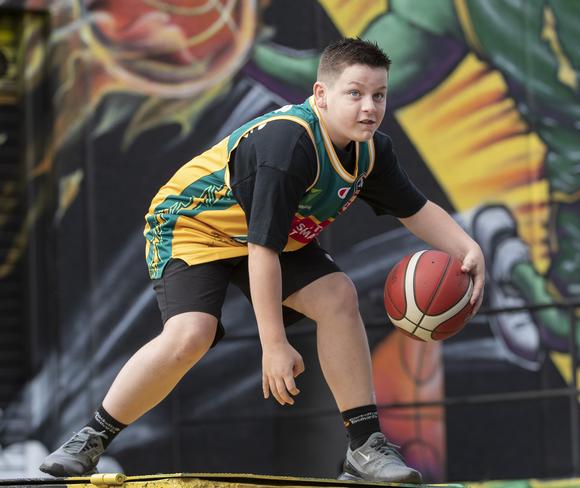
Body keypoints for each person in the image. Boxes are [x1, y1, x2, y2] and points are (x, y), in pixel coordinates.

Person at [39, 38, 485, 483]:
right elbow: (261, 249)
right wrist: (273, 345)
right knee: (191, 334)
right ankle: (92, 437)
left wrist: (468, 249)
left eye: (379, 95)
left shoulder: (371, 151)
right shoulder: (288, 145)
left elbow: (416, 208)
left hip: (268, 237)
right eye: (355, 93)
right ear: (321, 95)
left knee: (337, 295)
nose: (369, 107)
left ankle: (364, 446)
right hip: (196, 228)